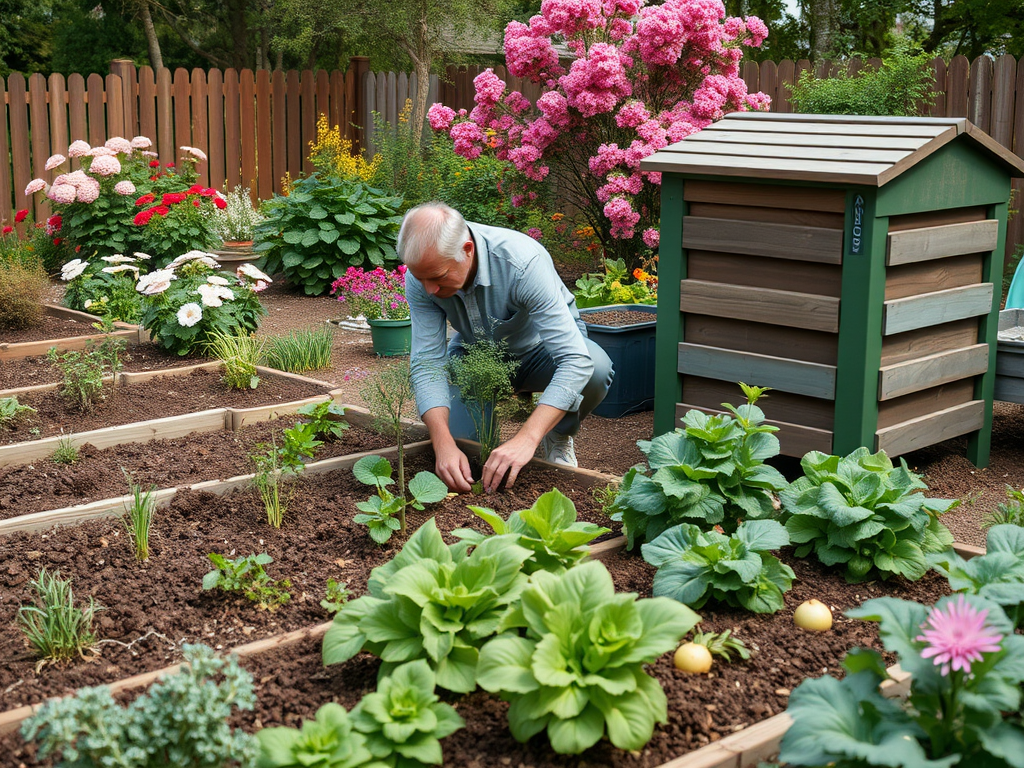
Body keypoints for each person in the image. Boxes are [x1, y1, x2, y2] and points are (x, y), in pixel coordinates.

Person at [399, 201, 614, 494]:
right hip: (479, 358)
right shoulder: (422, 276)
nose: (429, 290)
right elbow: (427, 364)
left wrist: (528, 438)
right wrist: (443, 444)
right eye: (420, 278)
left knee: (596, 369)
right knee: (469, 452)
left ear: (467, 250)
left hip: (541, 352)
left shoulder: (521, 262)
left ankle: (558, 434)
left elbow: (575, 360)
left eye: (437, 277)